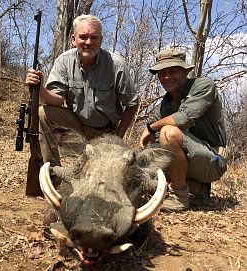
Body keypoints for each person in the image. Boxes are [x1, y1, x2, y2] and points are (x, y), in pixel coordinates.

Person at [25, 14, 139, 171]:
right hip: (75, 127)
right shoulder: (64, 61)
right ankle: (53, 173)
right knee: (43, 113)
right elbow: (57, 100)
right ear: (73, 39)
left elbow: (132, 103)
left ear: (101, 40)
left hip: (106, 133)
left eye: (94, 37)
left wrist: (118, 136)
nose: (88, 42)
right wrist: (40, 88)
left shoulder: (116, 64)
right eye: (83, 37)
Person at [139, 48, 227, 211]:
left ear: (186, 71)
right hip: (189, 160)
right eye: (161, 73)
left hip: (212, 162)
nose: (166, 77)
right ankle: (196, 188)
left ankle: (179, 196)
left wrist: (150, 128)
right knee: (141, 166)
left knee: (168, 132)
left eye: (173, 71)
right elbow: (155, 142)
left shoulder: (204, 85)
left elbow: (183, 118)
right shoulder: (164, 105)